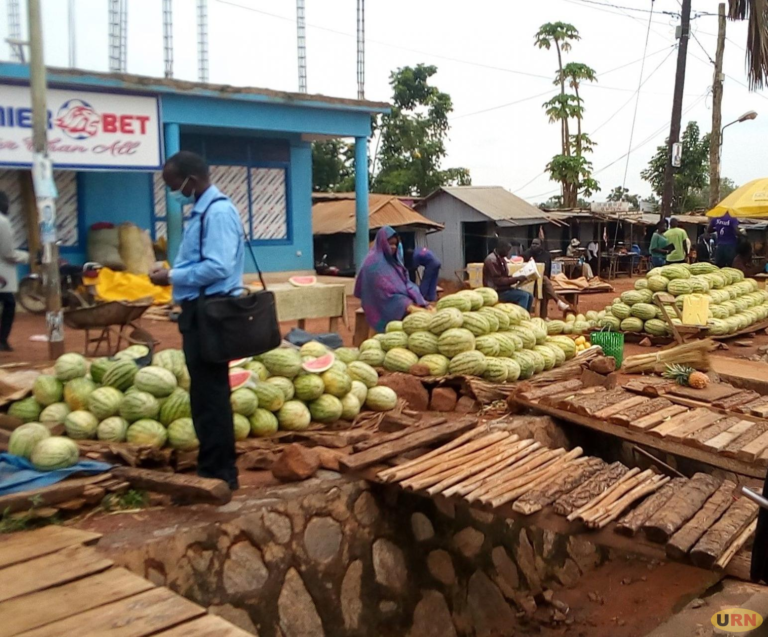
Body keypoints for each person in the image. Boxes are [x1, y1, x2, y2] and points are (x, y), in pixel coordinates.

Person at [149, 151, 244, 491]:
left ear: (191, 179)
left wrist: (172, 276)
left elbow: (217, 266)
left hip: (211, 312)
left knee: (211, 396)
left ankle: (218, 473)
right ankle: (216, 469)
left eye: (173, 185)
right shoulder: (202, 212)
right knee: (206, 395)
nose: (173, 192)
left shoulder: (216, 213)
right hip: (200, 311)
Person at [355, 226, 427, 333]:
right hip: (379, 302)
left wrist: (416, 296)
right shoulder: (373, 262)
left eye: (395, 244)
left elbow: (405, 281)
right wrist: (407, 304)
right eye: (390, 244)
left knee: (414, 293)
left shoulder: (394, 260)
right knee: (402, 303)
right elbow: (382, 291)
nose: (393, 247)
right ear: (382, 242)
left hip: (395, 296)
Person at [0, 192, 28, 352]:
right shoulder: (2, 222)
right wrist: (26, 256)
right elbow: (8, 253)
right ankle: (2, 339)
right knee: (9, 303)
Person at [482, 240, 533, 310]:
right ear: (500, 249)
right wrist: (516, 279)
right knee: (524, 296)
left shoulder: (501, 259)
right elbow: (498, 281)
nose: (508, 253)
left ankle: (526, 316)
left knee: (530, 296)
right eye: (507, 251)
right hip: (496, 291)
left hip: (503, 288)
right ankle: (521, 317)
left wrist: (517, 277)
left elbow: (504, 277)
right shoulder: (491, 260)